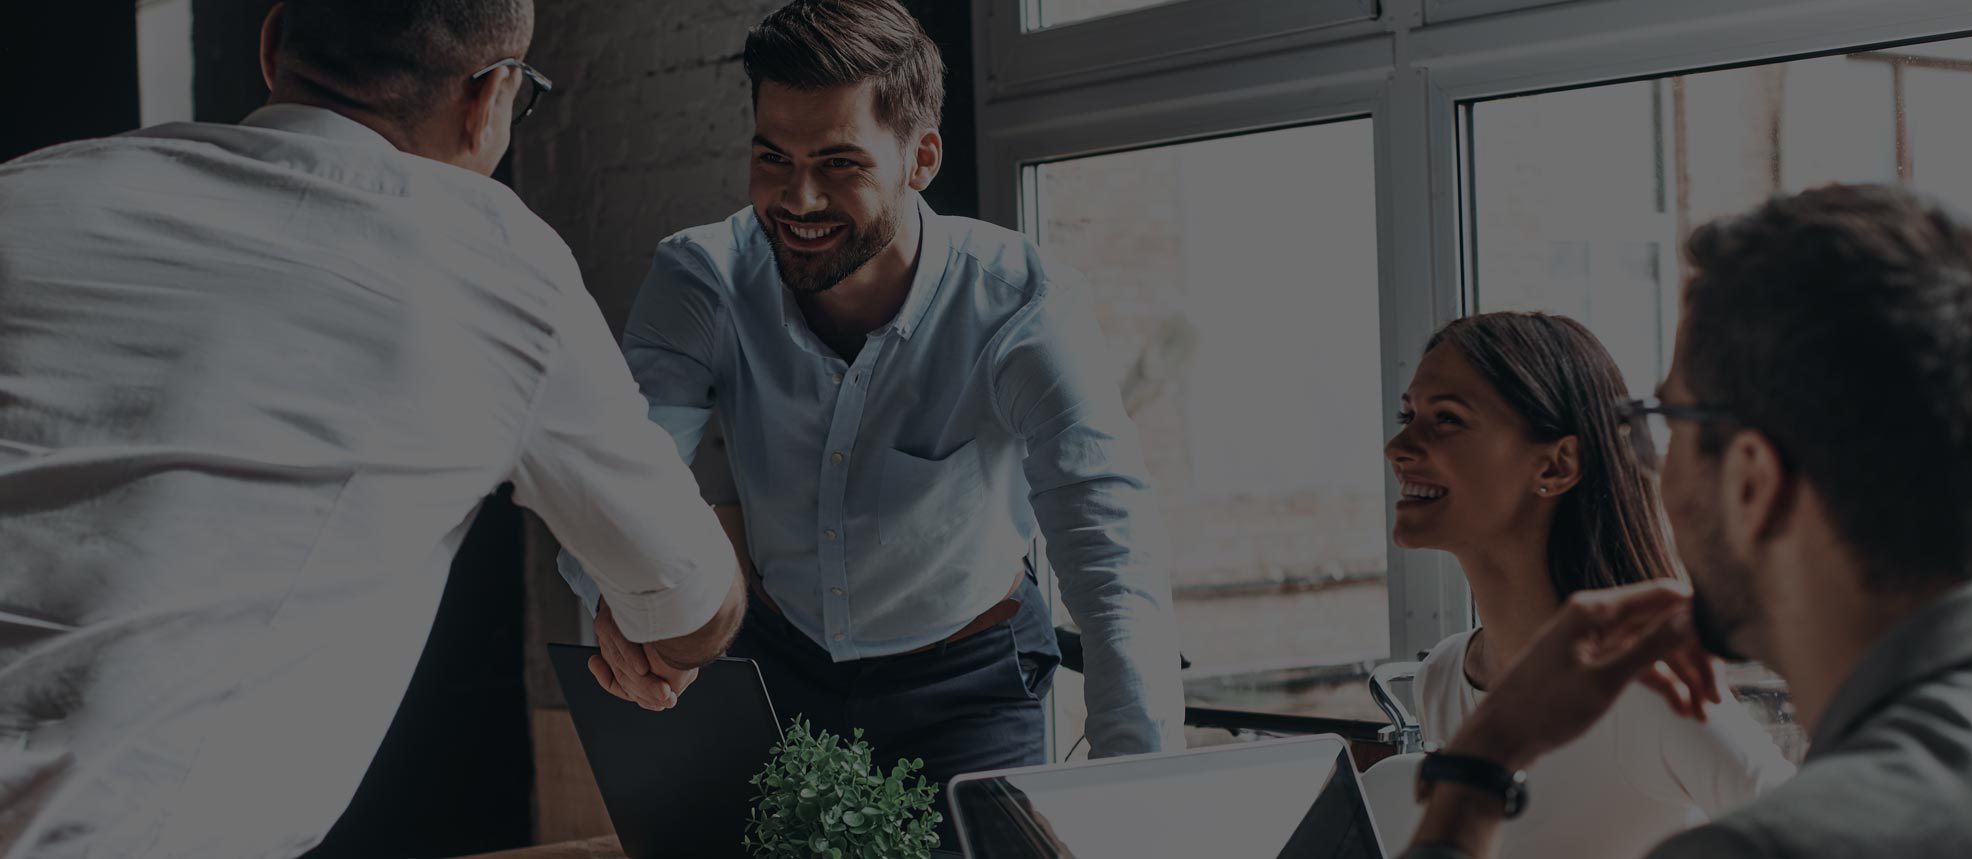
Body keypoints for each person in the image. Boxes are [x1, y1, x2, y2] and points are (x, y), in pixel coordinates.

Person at [0, 1, 747, 855]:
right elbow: (689, 602)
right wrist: (659, 615)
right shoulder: (488, 260)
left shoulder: (25, 195)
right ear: (489, 100)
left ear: (273, 45)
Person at [557, 0, 1184, 840]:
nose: (798, 197)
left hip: (967, 685)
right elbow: (621, 474)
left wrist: (1140, 803)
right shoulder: (703, 278)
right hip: (779, 664)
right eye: (773, 157)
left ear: (920, 158)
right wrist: (617, 601)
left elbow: (1110, 553)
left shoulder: (1022, 306)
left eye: (838, 162)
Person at [1400, 183, 1972, 859]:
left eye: (1666, 422)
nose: (1646, 465)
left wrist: (1482, 762)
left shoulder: (1764, 844)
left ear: (1751, 480)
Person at [1384, 311, 1793, 858]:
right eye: (1408, 415)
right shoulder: (1442, 676)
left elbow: (1816, 839)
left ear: (1556, 466)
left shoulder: (1649, 692)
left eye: (1447, 419)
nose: (1399, 446)